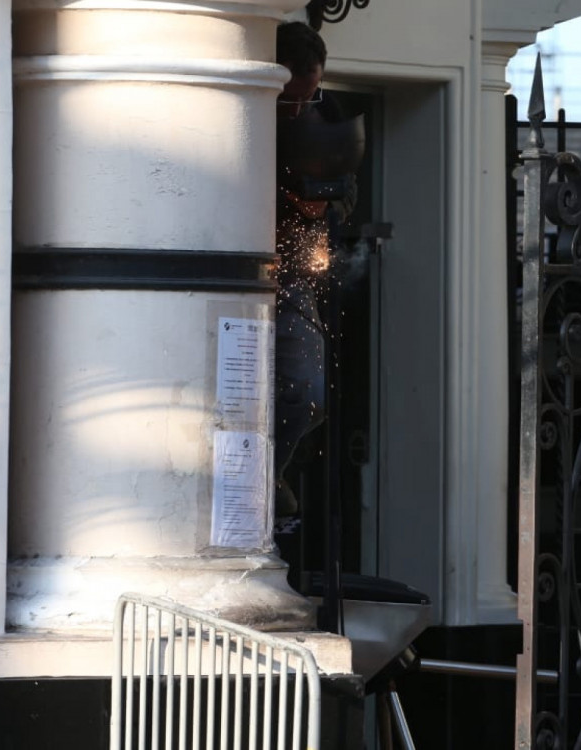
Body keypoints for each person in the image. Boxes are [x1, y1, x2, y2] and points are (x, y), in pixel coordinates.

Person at [272, 22, 354, 517]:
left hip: (294, 281)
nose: (300, 109)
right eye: (289, 100)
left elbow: (346, 185)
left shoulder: (326, 115)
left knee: (308, 393)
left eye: (310, 95)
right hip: (244, 277)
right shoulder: (248, 114)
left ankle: (269, 471)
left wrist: (331, 205)